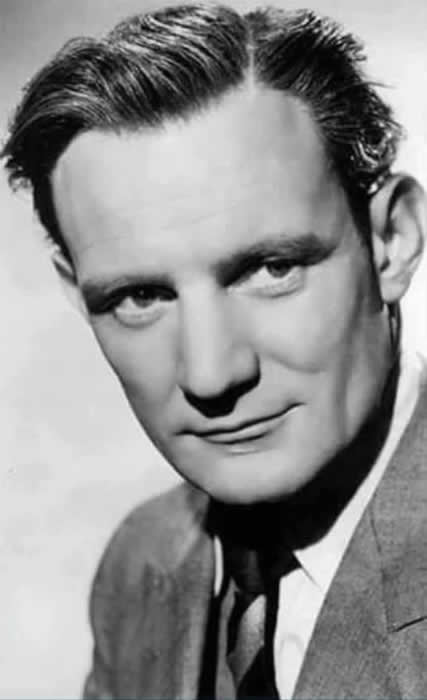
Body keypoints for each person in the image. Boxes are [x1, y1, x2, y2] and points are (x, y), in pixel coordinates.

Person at [2, 3, 427, 698]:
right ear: (77, 292)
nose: (210, 373)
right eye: (140, 296)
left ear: (391, 242)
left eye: (270, 268)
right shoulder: (142, 563)